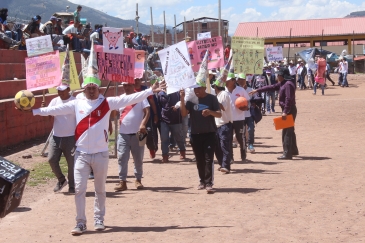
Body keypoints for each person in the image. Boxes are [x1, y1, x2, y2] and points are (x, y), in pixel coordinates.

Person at [28, 43, 165, 234]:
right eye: (88, 87)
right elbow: (53, 110)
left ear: (99, 88)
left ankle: (99, 220)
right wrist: (33, 110)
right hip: (82, 155)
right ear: (83, 88)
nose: (91, 90)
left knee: (100, 190)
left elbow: (130, 99)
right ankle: (80, 222)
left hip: (100, 154)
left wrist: (150, 91)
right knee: (79, 190)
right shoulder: (76, 103)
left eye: (94, 87)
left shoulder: (108, 103)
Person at [180, 77, 221, 193]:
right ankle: (201, 181)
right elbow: (183, 113)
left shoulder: (212, 99)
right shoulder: (191, 100)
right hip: (195, 134)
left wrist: (210, 112)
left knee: (209, 159)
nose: (196, 91)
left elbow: (219, 114)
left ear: (204, 87)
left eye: (198, 88)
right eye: (194, 89)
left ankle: (209, 183)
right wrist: (182, 99)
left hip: (209, 133)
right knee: (199, 159)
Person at [249, 67, 299, 160]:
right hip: (287, 109)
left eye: (278, 75)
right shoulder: (283, 83)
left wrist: (285, 112)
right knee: (290, 130)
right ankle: (293, 150)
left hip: (289, 110)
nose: (277, 76)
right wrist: (257, 90)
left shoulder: (288, 85)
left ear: (282, 76)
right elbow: (271, 87)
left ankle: (287, 153)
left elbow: (289, 99)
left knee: (286, 131)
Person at [114, 82, 150, 191]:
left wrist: (143, 123)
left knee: (138, 158)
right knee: (122, 158)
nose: (126, 87)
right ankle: (122, 181)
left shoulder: (140, 97)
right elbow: (114, 113)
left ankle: (138, 179)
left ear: (133, 86)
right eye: (124, 85)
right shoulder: (120, 98)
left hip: (140, 133)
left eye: (129, 85)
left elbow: (147, 111)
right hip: (123, 134)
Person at [47, 84, 76, 193]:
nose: (60, 93)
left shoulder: (75, 101)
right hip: (56, 137)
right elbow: (48, 118)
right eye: (59, 91)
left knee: (71, 163)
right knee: (51, 159)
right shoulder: (54, 101)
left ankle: (72, 185)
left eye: (63, 90)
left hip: (71, 137)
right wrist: (47, 110)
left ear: (68, 89)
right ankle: (61, 180)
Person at [226, 72, 250, 162]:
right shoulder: (223, 90)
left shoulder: (240, 90)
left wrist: (246, 107)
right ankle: (230, 158)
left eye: (228, 80)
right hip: (227, 119)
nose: (226, 82)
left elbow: (247, 101)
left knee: (241, 138)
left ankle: (243, 156)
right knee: (228, 139)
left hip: (239, 118)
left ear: (233, 81)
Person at [134, 76, 160, 159]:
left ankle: (152, 148)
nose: (137, 81)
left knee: (148, 135)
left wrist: (155, 115)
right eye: (135, 80)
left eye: (138, 79)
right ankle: (138, 155)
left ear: (141, 80)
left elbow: (152, 103)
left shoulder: (146, 89)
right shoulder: (131, 90)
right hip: (136, 117)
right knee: (139, 136)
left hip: (147, 116)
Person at [157, 90, 186, 162]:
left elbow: (182, 102)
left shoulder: (177, 92)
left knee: (178, 136)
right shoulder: (160, 93)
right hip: (164, 118)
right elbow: (159, 105)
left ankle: (182, 151)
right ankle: (165, 155)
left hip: (176, 118)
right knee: (164, 138)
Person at [212, 75, 233, 173]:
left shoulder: (224, 94)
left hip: (224, 124)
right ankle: (222, 164)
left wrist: (214, 101)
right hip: (217, 125)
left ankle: (226, 166)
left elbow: (223, 107)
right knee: (217, 147)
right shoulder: (217, 95)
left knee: (224, 145)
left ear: (216, 87)